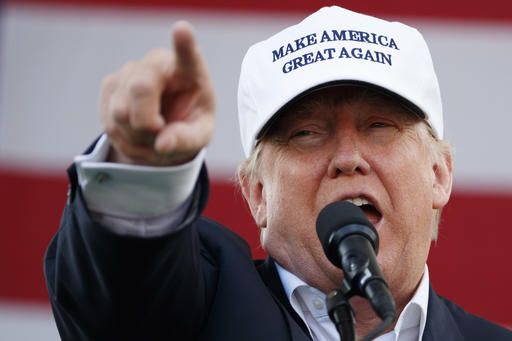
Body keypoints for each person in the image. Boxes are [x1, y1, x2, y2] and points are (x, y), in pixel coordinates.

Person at [44, 6, 512, 341]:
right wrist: (141, 169)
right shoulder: (196, 310)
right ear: (257, 194)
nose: (347, 157)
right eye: (307, 132)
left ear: (439, 174)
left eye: (380, 126)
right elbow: (124, 295)